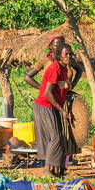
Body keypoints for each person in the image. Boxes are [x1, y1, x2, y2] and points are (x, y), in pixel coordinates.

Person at [33, 44, 75, 176]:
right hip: (45, 106)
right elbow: (48, 93)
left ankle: (56, 169)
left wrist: (69, 93)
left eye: (70, 54)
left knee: (59, 137)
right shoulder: (54, 69)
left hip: (52, 106)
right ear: (59, 56)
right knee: (55, 138)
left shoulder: (64, 70)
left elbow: (59, 88)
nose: (69, 56)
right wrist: (62, 110)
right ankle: (47, 170)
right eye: (66, 54)